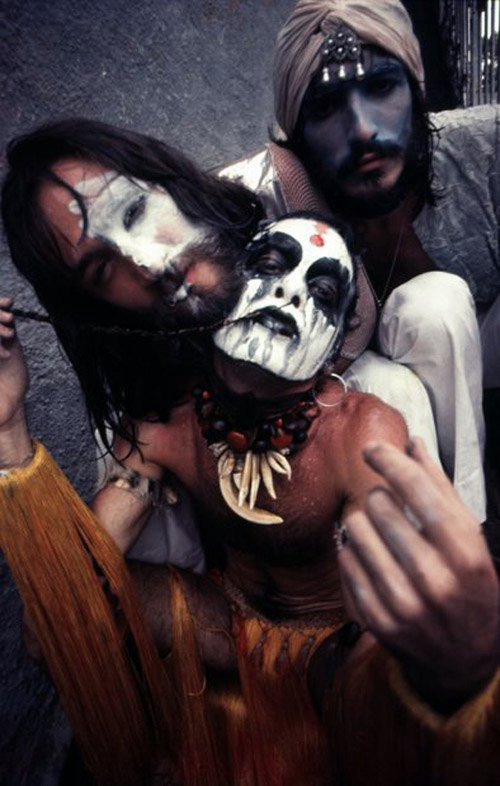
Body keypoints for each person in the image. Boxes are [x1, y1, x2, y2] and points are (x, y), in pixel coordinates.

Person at [1, 215, 499, 786]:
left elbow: (372, 622)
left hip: (331, 651)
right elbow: (61, 600)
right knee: (58, 619)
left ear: (334, 346)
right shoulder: (167, 421)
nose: (289, 292)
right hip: (223, 619)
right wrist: (9, 425)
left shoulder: (360, 433)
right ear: (226, 285)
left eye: (322, 292)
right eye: (269, 265)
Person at [220, 0, 491, 523]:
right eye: (326, 108)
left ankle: (468, 529)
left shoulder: (485, 151)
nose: (363, 129)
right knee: (406, 355)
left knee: (437, 305)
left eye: (382, 87)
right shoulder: (265, 198)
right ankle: (449, 530)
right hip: (358, 375)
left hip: (478, 342)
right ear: (296, 134)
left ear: (417, 91)